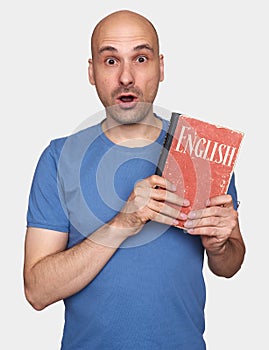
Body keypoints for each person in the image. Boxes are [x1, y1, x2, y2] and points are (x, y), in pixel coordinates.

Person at [23, 9, 246, 350]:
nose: (126, 77)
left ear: (160, 66)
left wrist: (222, 245)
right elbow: (37, 292)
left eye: (140, 59)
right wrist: (124, 222)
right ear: (92, 73)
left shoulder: (198, 151)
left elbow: (229, 265)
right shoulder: (58, 157)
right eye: (110, 61)